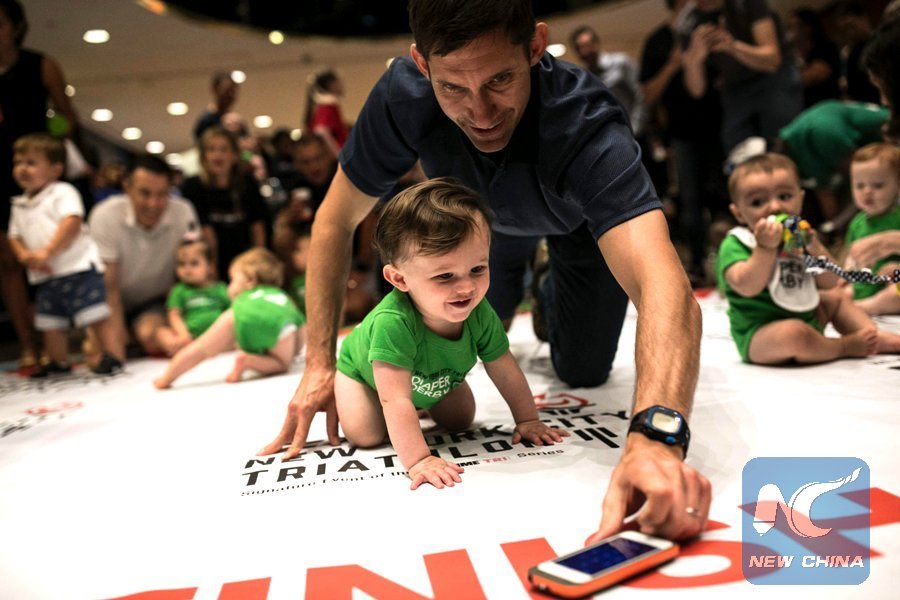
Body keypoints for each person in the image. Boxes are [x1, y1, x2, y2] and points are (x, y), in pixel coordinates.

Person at [263, 0, 709, 542]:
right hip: (477, 240)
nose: (481, 112)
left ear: (535, 46)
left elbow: (663, 283)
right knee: (460, 323)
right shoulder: (403, 98)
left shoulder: (585, 121)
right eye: (453, 87)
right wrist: (318, 365)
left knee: (585, 369)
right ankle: (523, 276)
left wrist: (654, 439)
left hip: (578, 226)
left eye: (500, 79)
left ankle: (548, 288)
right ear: (422, 65)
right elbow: (335, 222)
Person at [336, 178, 568, 489]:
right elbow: (395, 399)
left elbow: (505, 369)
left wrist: (528, 420)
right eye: (445, 276)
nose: (466, 287)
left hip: (431, 377)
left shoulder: (478, 311)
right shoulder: (393, 322)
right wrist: (419, 459)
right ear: (399, 279)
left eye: (478, 269)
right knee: (366, 435)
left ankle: (421, 403)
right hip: (365, 377)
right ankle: (356, 396)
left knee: (461, 420)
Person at [716, 152, 900, 364]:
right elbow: (747, 287)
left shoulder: (800, 238)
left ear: (800, 199)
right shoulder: (737, 243)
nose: (775, 207)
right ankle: (844, 346)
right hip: (762, 335)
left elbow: (831, 282)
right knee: (794, 333)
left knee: (837, 299)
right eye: (758, 202)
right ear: (738, 213)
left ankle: (874, 336)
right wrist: (765, 249)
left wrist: (815, 247)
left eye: (785, 197)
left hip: (808, 317)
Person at [0, 0, 81, 369]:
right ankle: (27, 344)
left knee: (55, 249)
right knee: (9, 260)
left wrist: (49, 153)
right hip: (4, 175)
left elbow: (68, 117)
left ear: (16, 27)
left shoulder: (41, 65)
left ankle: (66, 335)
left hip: (43, 171)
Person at [7, 133, 122, 376]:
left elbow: (71, 222)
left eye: (31, 163)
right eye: (18, 163)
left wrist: (47, 252)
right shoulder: (19, 204)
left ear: (56, 169)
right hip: (47, 274)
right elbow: (14, 236)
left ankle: (110, 355)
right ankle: (57, 361)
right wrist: (25, 256)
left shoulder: (62, 192)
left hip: (78, 269)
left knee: (95, 315)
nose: (22, 169)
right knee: (51, 321)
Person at [639, 0, 727, 285]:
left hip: (720, 127)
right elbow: (648, 94)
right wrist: (675, 62)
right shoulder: (658, 41)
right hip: (681, 134)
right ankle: (698, 263)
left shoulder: (709, 28)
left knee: (725, 198)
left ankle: (731, 262)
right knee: (690, 203)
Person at [88, 155, 201, 359]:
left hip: (154, 302)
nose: (153, 204)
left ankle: (135, 337)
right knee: (103, 354)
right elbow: (109, 288)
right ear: (127, 187)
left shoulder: (184, 212)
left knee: (150, 335)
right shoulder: (104, 215)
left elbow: (194, 271)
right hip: (112, 300)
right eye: (144, 193)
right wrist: (115, 350)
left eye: (162, 194)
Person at [153, 247, 304, 389]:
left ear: (250, 280)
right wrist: (296, 350)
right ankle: (250, 360)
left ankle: (166, 378)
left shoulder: (242, 305)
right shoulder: (281, 297)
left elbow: (199, 348)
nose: (229, 286)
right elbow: (300, 322)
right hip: (282, 323)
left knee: (200, 348)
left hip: (243, 315)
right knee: (281, 363)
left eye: (232, 280)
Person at [682, 0, 803, 153]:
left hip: (773, 78)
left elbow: (772, 61)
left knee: (784, 142)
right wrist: (695, 60)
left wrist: (732, 46)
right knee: (737, 150)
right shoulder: (689, 23)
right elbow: (696, 90)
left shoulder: (747, 3)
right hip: (735, 87)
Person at [181, 126, 268, 279]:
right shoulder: (193, 186)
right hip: (207, 259)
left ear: (234, 155)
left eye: (223, 149)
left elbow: (257, 226)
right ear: (203, 156)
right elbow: (205, 232)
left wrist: (258, 264)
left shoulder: (247, 183)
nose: (217, 155)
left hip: (244, 257)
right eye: (211, 149)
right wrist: (211, 269)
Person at [843, 143, 900, 315]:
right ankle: (853, 307)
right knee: (837, 293)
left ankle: (869, 307)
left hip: (891, 284)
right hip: (864, 284)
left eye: (878, 185)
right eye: (860, 185)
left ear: (897, 186)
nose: (867, 191)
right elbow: (851, 255)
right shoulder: (857, 223)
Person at [155, 239, 231, 356]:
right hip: (190, 338)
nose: (187, 269)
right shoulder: (179, 290)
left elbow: (231, 312)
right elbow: (174, 315)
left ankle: (216, 346)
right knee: (160, 333)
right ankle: (184, 348)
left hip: (217, 335)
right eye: (182, 264)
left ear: (210, 267)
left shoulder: (220, 289)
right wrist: (183, 334)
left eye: (194, 263)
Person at [570, 25, 646, 136]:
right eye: (579, 48)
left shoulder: (621, 62)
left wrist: (634, 129)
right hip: (611, 137)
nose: (584, 52)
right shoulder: (585, 77)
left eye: (586, 46)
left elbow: (641, 94)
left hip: (636, 133)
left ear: (596, 44)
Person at [787, 8, 841, 109]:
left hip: (828, 106)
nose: (789, 33)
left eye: (792, 27)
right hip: (805, 110)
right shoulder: (792, 55)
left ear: (807, 28)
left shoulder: (825, 47)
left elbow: (818, 74)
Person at [304, 68, 350, 158]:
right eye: (338, 82)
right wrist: (338, 154)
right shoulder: (328, 104)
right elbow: (321, 130)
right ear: (330, 85)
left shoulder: (320, 105)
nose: (341, 85)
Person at [193, 71, 240, 141]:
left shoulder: (238, 122)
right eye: (227, 91)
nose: (230, 95)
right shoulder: (206, 121)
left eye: (233, 91)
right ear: (215, 90)